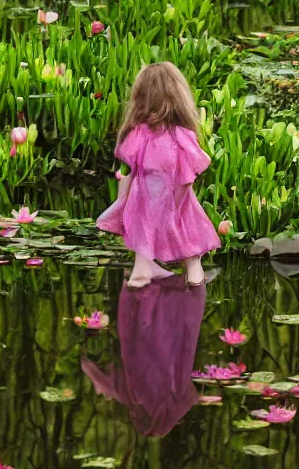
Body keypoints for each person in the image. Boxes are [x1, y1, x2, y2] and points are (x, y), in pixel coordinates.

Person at [97, 62, 219, 287]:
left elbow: (133, 170)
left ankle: (142, 272)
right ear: (177, 96)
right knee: (189, 231)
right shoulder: (181, 135)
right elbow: (191, 172)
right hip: (174, 195)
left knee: (144, 232)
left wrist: (123, 195)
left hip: (144, 198)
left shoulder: (139, 134)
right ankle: (194, 272)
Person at [81, 275, 206, 437]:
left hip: (168, 307)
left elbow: (90, 371)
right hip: (144, 312)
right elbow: (87, 367)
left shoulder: (177, 394)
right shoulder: (131, 396)